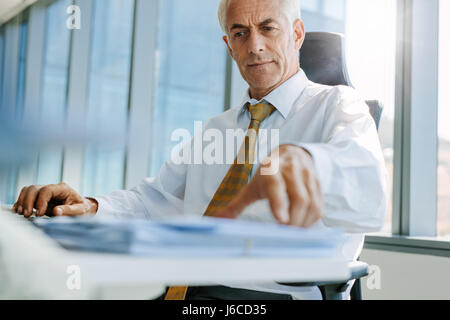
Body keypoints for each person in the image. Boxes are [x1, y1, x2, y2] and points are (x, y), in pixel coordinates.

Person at [12, 0, 388, 300]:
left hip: (266, 294)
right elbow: (152, 200)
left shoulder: (338, 105)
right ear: (228, 45)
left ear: (297, 33)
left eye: (268, 28)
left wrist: (307, 161)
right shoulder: (215, 128)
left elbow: (367, 183)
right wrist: (90, 206)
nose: (254, 45)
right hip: (182, 287)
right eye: (240, 33)